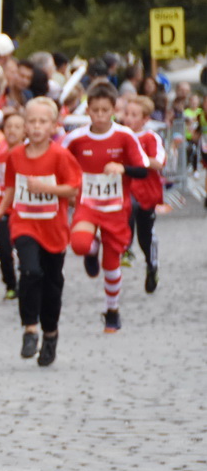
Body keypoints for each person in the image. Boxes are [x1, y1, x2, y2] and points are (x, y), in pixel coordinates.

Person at [0, 97, 80, 366]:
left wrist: (47, 189)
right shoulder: (15, 155)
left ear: (54, 125)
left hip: (53, 229)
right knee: (30, 272)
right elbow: (10, 186)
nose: (36, 127)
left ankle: (50, 334)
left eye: (42, 121)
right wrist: (0, 210)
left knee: (52, 285)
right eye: (31, 121)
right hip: (24, 223)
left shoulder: (60, 155)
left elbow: (74, 190)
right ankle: (30, 328)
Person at [63, 81, 150, 333]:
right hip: (87, 205)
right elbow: (59, 163)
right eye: (95, 110)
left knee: (111, 266)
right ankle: (92, 249)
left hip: (116, 208)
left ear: (114, 110)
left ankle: (112, 311)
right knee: (79, 244)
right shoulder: (76, 138)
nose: (100, 116)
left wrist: (122, 168)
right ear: (87, 110)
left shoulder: (124, 136)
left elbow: (143, 170)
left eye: (105, 110)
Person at [119, 94, 164, 293]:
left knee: (145, 235)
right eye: (126, 113)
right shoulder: (119, 135)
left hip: (146, 189)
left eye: (134, 115)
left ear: (145, 119)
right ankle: (125, 248)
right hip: (127, 188)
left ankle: (151, 264)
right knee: (127, 207)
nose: (128, 118)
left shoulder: (150, 137)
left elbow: (159, 162)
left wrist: (139, 158)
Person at [0, 107, 28, 299]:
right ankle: (10, 284)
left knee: (24, 247)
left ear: (24, 131)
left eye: (17, 127)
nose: (12, 131)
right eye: (8, 127)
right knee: (3, 248)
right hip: (4, 209)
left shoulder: (28, 154)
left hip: (24, 207)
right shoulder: (0, 156)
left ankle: (28, 281)